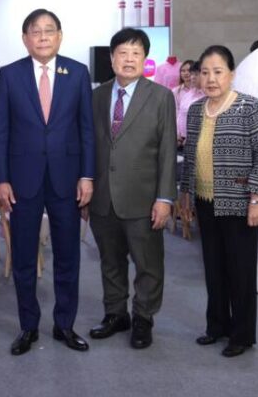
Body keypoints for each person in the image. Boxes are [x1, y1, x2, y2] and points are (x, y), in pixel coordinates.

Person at [0, 8, 94, 356]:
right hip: (23, 181)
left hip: (67, 180)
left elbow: (86, 130)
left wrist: (87, 175)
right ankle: (28, 326)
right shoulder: (9, 75)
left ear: (60, 36)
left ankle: (65, 324)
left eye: (49, 30)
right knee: (23, 256)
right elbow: (0, 131)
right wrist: (1, 178)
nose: (43, 37)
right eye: (35, 31)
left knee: (68, 255)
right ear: (25, 39)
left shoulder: (77, 73)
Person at [180, 45, 258, 358]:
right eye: (205, 72)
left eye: (218, 72)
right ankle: (217, 325)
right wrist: (186, 194)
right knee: (213, 268)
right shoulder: (196, 110)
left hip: (239, 203)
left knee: (240, 271)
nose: (211, 79)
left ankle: (242, 335)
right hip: (205, 201)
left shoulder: (249, 107)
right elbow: (190, 156)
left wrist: (257, 198)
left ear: (231, 74)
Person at [88, 28, 176, 349]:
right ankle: (115, 314)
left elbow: (168, 151)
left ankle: (142, 317)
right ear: (112, 58)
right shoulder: (96, 96)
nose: (128, 59)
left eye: (135, 53)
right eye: (122, 53)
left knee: (147, 263)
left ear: (145, 59)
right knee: (110, 262)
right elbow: (88, 146)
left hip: (143, 198)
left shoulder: (161, 97)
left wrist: (164, 198)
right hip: (102, 198)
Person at [172, 60, 203, 147]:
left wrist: (191, 137)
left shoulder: (207, 96)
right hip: (181, 138)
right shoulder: (188, 94)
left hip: (196, 139)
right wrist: (177, 133)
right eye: (192, 74)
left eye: (196, 74)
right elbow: (179, 114)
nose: (192, 77)